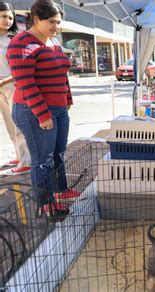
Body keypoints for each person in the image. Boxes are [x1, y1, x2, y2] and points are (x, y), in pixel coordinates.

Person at [7, 0, 81, 221]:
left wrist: (67, 98)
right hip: (33, 110)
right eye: (51, 22)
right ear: (36, 19)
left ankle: (61, 189)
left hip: (58, 108)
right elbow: (25, 82)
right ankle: (46, 203)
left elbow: (62, 74)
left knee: (58, 153)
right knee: (43, 160)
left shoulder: (53, 42)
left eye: (58, 22)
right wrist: (43, 114)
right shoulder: (21, 43)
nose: (56, 26)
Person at [0, 1, 31, 175]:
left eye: (10, 17)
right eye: (3, 16)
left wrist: (5, 82)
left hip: (13, 84)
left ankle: (26, 161)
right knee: (9, 124)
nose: (7, 20)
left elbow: (21, 66)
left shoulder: (15, 39)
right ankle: (20, 155)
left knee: (19, 122)